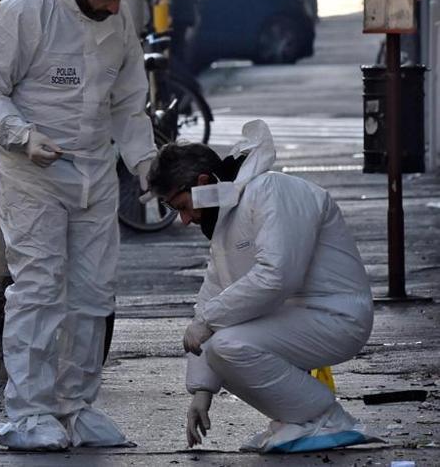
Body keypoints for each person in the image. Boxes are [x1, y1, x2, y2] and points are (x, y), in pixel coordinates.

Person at [0, 0, 156, 451]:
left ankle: (76, 406)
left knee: (93, 293)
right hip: (34, 175)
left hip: (95, 172)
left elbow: (129, 100)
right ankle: (29, 413)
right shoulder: (27, 9)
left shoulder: (117, 18)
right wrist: (23, 137)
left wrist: (145, 164)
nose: (114, 9)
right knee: (41, 289)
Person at [144, 120, 378, 453]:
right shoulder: (227, 216)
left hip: (338, 316)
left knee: (227, 344)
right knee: (222, 342)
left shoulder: (272, 191)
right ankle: (296, 419)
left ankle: (323, 417)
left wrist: (208, 321)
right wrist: (202, 390)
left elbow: (277, 276)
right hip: (303, 317)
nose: (183, 219)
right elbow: (213, 295)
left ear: (202, 183)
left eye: (180, 207)